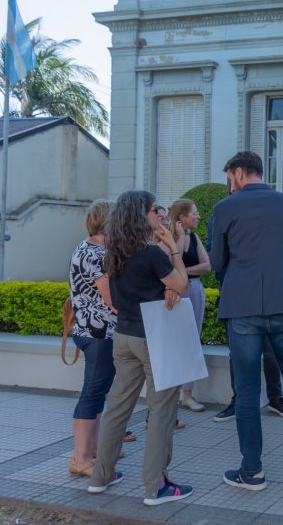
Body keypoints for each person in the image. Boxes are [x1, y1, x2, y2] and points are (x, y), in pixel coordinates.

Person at [210, 151, 283, 491]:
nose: (230, 186)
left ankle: (252, 471)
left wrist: (244, 279)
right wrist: (280, 273)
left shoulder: (224, 209)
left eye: (230, 179)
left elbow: (217, 262)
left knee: (246, 391)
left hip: (241, 309)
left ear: (240, 173)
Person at [87, 190, 193, 507]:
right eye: (153, 210)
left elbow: (114, 291)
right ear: (139, 216)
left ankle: (100, 477)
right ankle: (156, 487)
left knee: (117, 409)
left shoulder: (114, 253)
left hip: (124, 337)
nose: (158, 214)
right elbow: (182, 284)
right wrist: (174, 248)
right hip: (153, 338)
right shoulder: (151, 254)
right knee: (161, 412)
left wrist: (164, 289)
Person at [209, 180, 283, 423]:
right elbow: (217, 255)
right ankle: (239, 401)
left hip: (269, 294)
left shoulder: (272, 211)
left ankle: (275, 397)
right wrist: (233, 283)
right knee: (239, 352)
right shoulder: (222, 211)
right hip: (237, 296)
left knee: (271, 350)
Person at [68, 200, 119, 477]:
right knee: (92, 393)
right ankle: (80, 458)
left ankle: (94, 449)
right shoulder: (95, 253)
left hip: (94, 330)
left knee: (97, 392)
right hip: (98, 332)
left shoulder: (94, 248)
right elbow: (112, 299)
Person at [168, 199, 211, 413]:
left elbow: (207, 266)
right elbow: (170, 263)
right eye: (194, 213)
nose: (198, 216)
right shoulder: (168, 239)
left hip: (194, 290)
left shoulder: (194, 237)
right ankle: (171, 394)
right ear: (182, 218)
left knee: (192, 340)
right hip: (174, 292)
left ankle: (187, 394)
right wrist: (180, 237)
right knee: (175, 342)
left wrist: (184, 272)